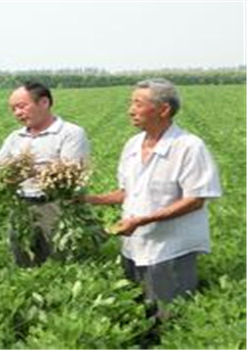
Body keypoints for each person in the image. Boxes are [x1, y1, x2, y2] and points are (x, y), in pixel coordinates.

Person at [84, 78, 222, 312]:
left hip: (170, 249)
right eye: (131, 103)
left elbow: (196, 199)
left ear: (163, 110)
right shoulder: (132, 145)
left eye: (138, 104)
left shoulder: (188, 146)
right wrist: (88, 200)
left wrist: (143, 221)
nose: (130, 111)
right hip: (133, 246)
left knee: (169, 316)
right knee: (140, 312)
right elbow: (127, 193)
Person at [0, 81, 90, 267]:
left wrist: (30, 171)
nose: (17, 113)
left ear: (44, 103)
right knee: (23, 258)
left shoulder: (70, 133)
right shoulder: (16, 137)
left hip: (56, 206)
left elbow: (70, 175)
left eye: (22, 106)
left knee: (61, 259)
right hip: (22, 206)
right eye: (13, 109)